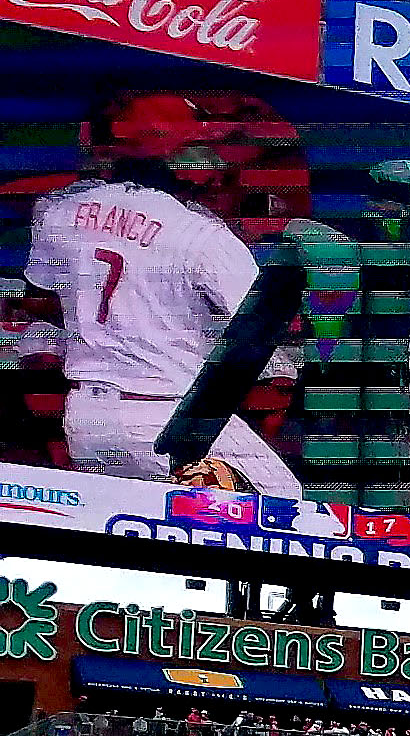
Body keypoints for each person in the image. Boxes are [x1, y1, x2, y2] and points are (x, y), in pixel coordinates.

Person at [29, 91, 302, 493]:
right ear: (175, 157)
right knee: (283, 502)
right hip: (171, 418)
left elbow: (41, 307)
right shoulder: (200, 233)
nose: (211, 163)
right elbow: (264, 330)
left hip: (85, 418)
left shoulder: (59, 210)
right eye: (198, 147)